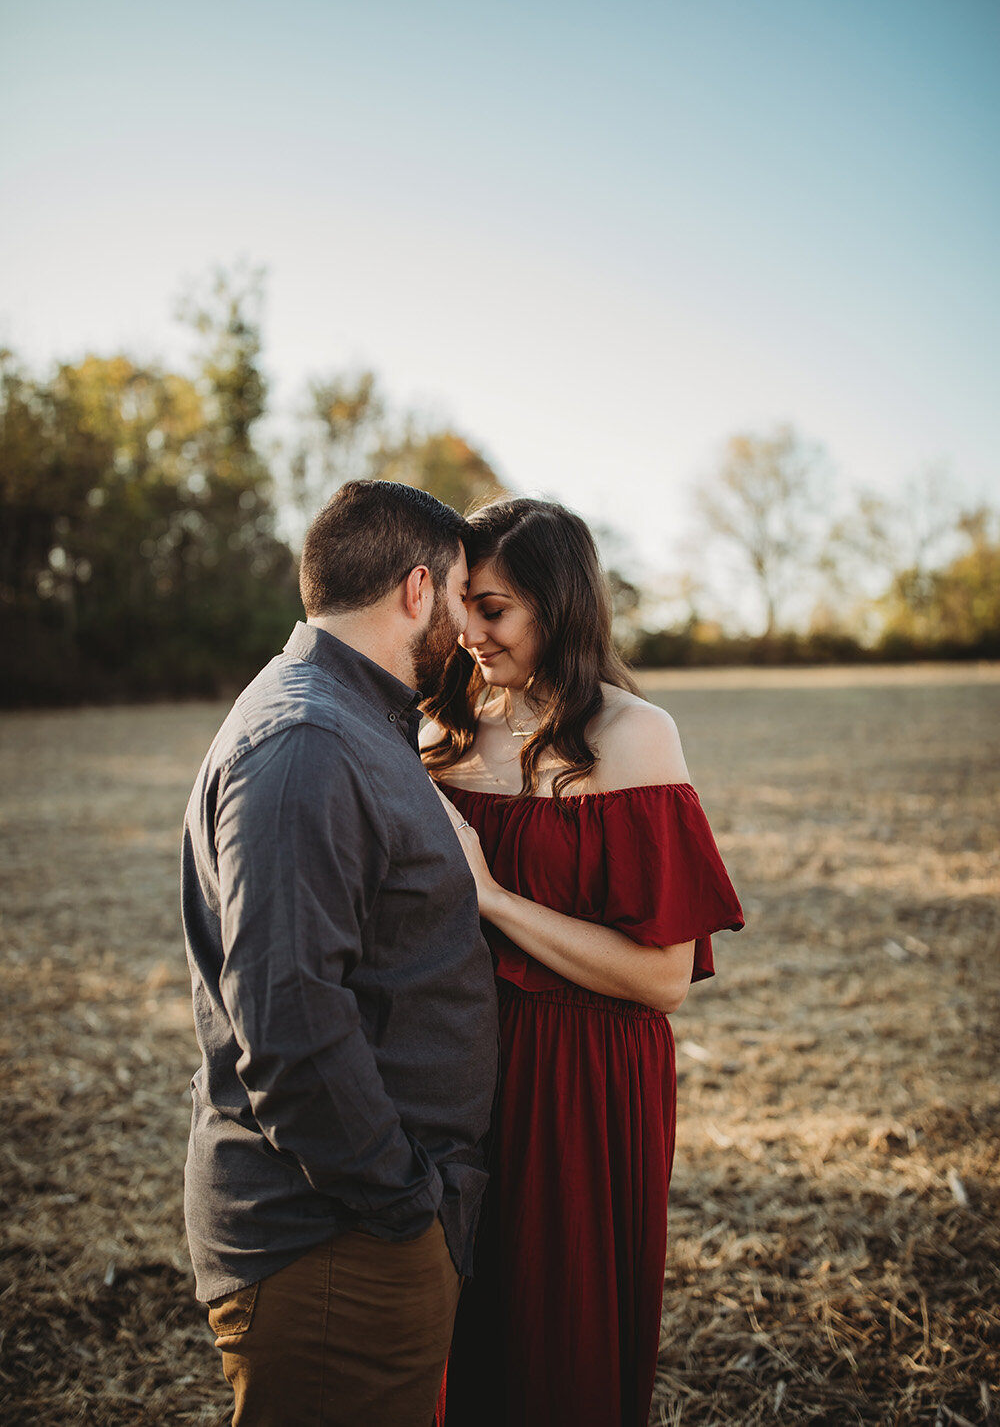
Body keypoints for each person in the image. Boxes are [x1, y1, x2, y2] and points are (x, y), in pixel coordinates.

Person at [180, 480, 499, 1427]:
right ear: (416, 590)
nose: (468, 626)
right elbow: (289, 1023)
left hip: (356, 1236)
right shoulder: (309, 741)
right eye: (459, 593)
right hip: (336, 1246)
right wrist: (405, 1209)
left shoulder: (352, 719)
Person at [421, 497, 744, 1427]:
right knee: (457, 1338)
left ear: (557, 608)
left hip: (585, 1079)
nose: (471, 631)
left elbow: (662, 979)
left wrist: (492, 897)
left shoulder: (634, 737)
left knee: (561, 1341)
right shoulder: (438, 734)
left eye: (495, 608)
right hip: (459, 1071)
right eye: (461, 605)